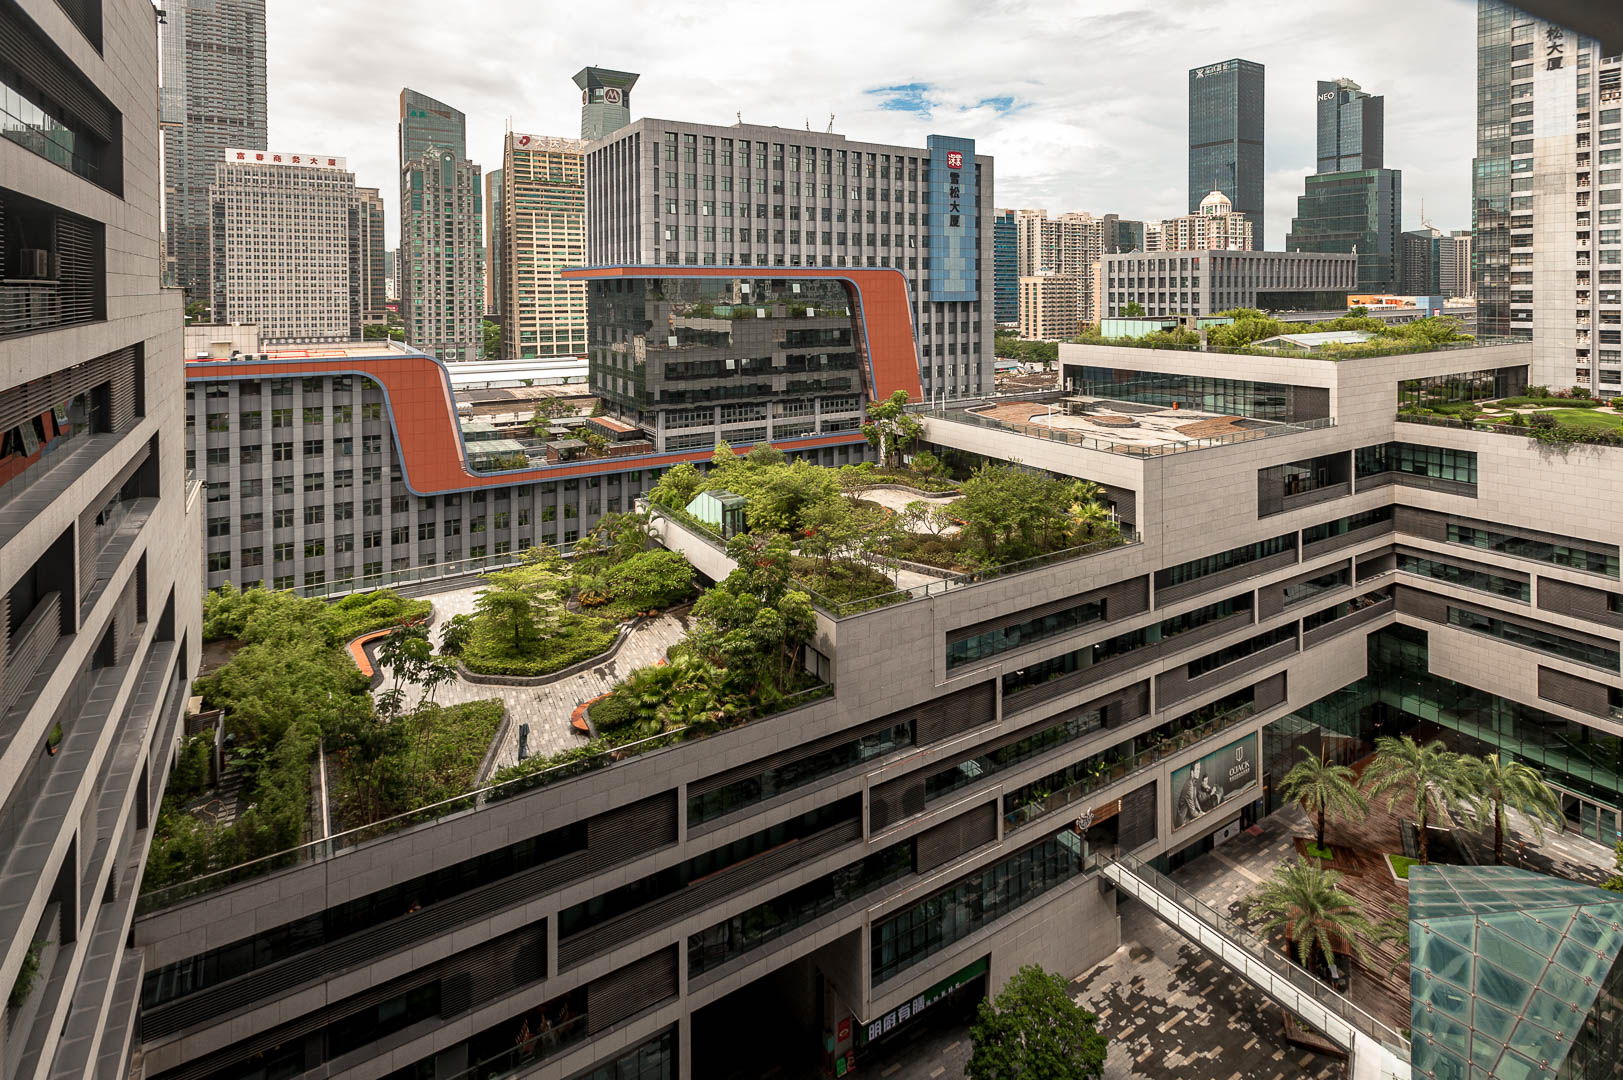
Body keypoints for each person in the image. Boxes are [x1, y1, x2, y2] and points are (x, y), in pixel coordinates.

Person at [1174, 760, 1224, 828]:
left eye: (1199, 769)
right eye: (1197, 769)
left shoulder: (1193, 783)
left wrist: (1201, 811)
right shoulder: (1189, 786)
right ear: (1192, 772)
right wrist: (1202, 815)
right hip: (1183, 822)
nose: (1199, 771)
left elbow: (1195, 800)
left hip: (1188, 819)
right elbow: (1192, 812)